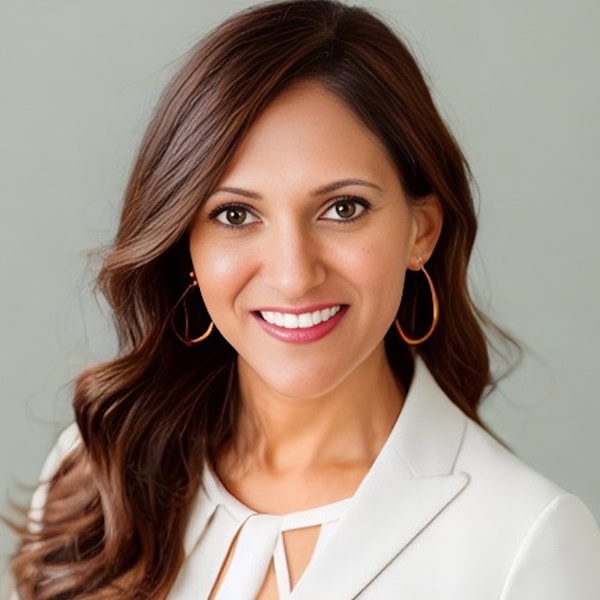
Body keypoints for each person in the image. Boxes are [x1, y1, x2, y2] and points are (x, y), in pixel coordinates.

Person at [6, 1, 600, 598]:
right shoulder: (93, 472)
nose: (293, 276)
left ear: (421, 230)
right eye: (236, 214)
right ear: (184, 242)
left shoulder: (526, 543)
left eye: (343, 209)